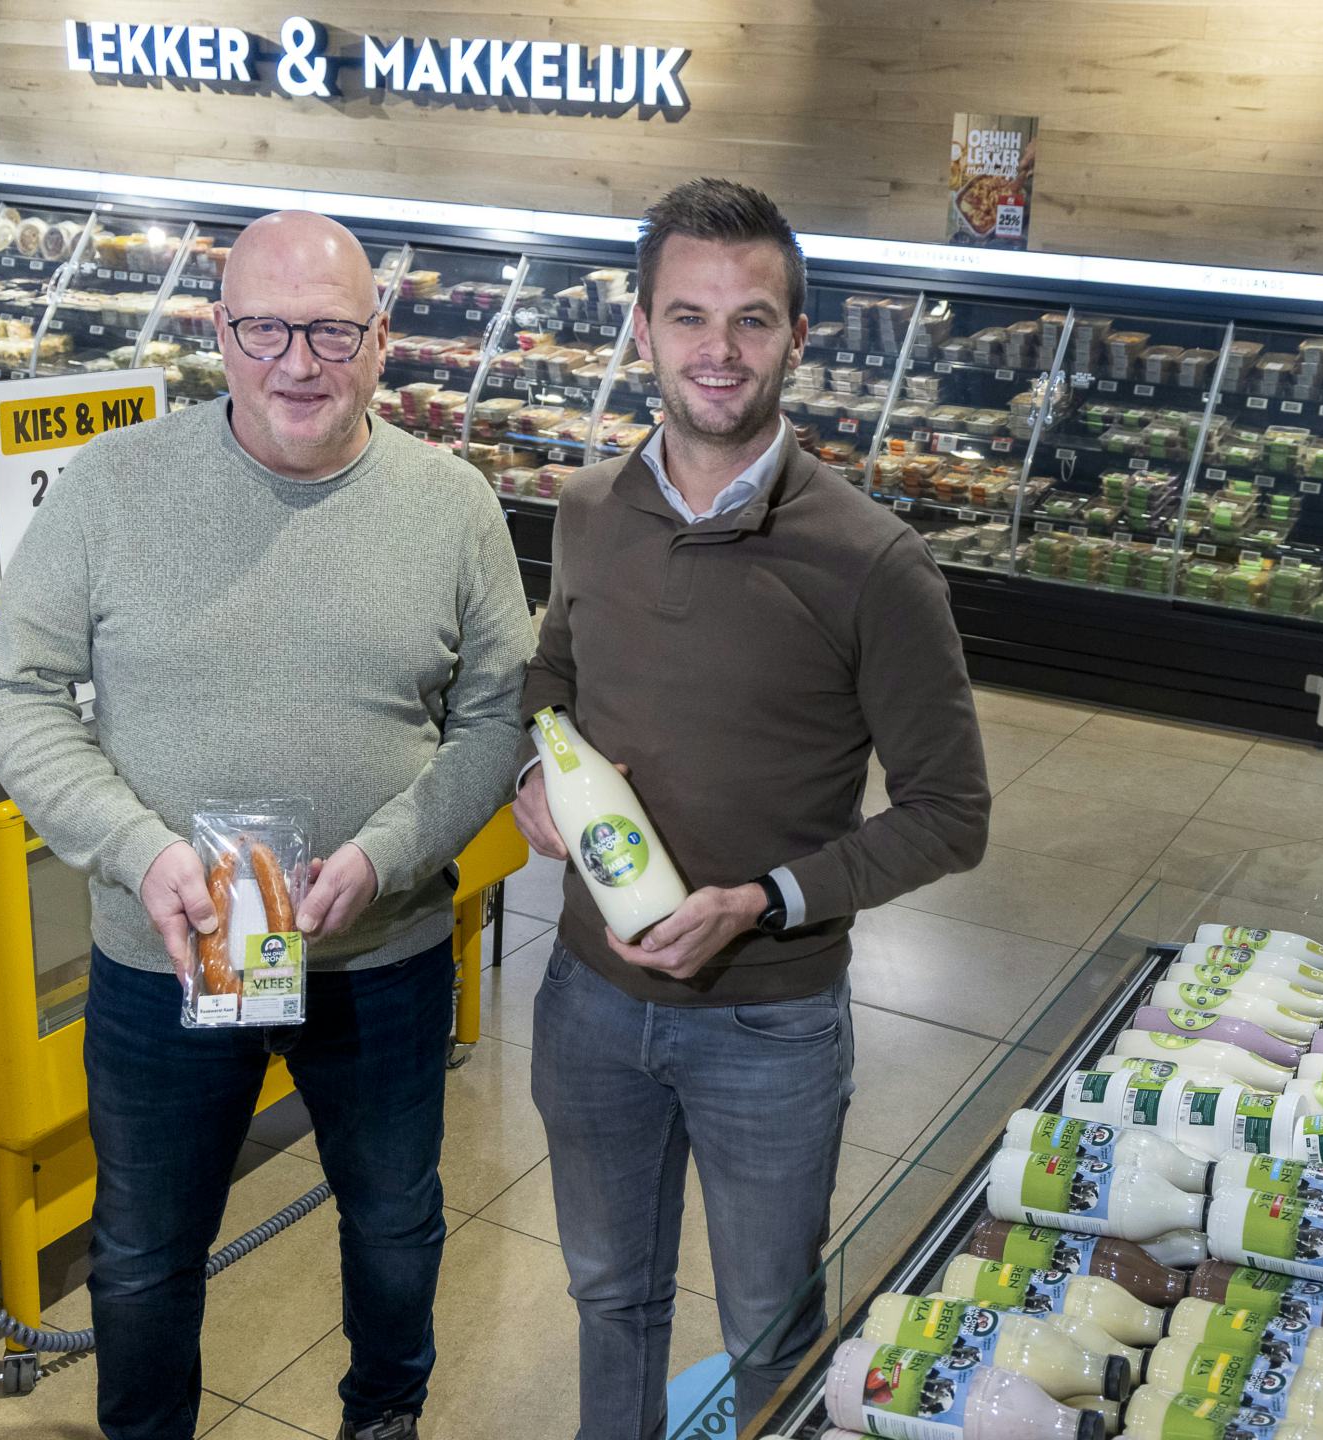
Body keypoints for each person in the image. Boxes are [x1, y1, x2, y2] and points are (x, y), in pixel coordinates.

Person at [0, 210, 534, 1440]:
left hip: (378, 960)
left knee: (394, 1224)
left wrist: (391, 851)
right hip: (163, 958)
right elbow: (9, 690)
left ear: (381, 341)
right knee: (141, 1254)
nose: (297, 361)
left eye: (332, 330)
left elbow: (501, 714)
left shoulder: (452, 506)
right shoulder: (115, 488)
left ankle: (382, 1419)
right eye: (264, 328)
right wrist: (139, 850)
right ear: (215, 332)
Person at [513, 178, 991, 1437]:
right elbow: (553, 674)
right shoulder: (585, 511)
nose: (716, 350)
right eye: (687, 316)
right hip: (587, 998)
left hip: (768, 1027)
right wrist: (530, 774)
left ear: (796, 336)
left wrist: (764, 901)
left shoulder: (873, 561)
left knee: (771, 1328)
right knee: (610, 1291)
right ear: (639, 329)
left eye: (751, 319)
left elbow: (951, 812)